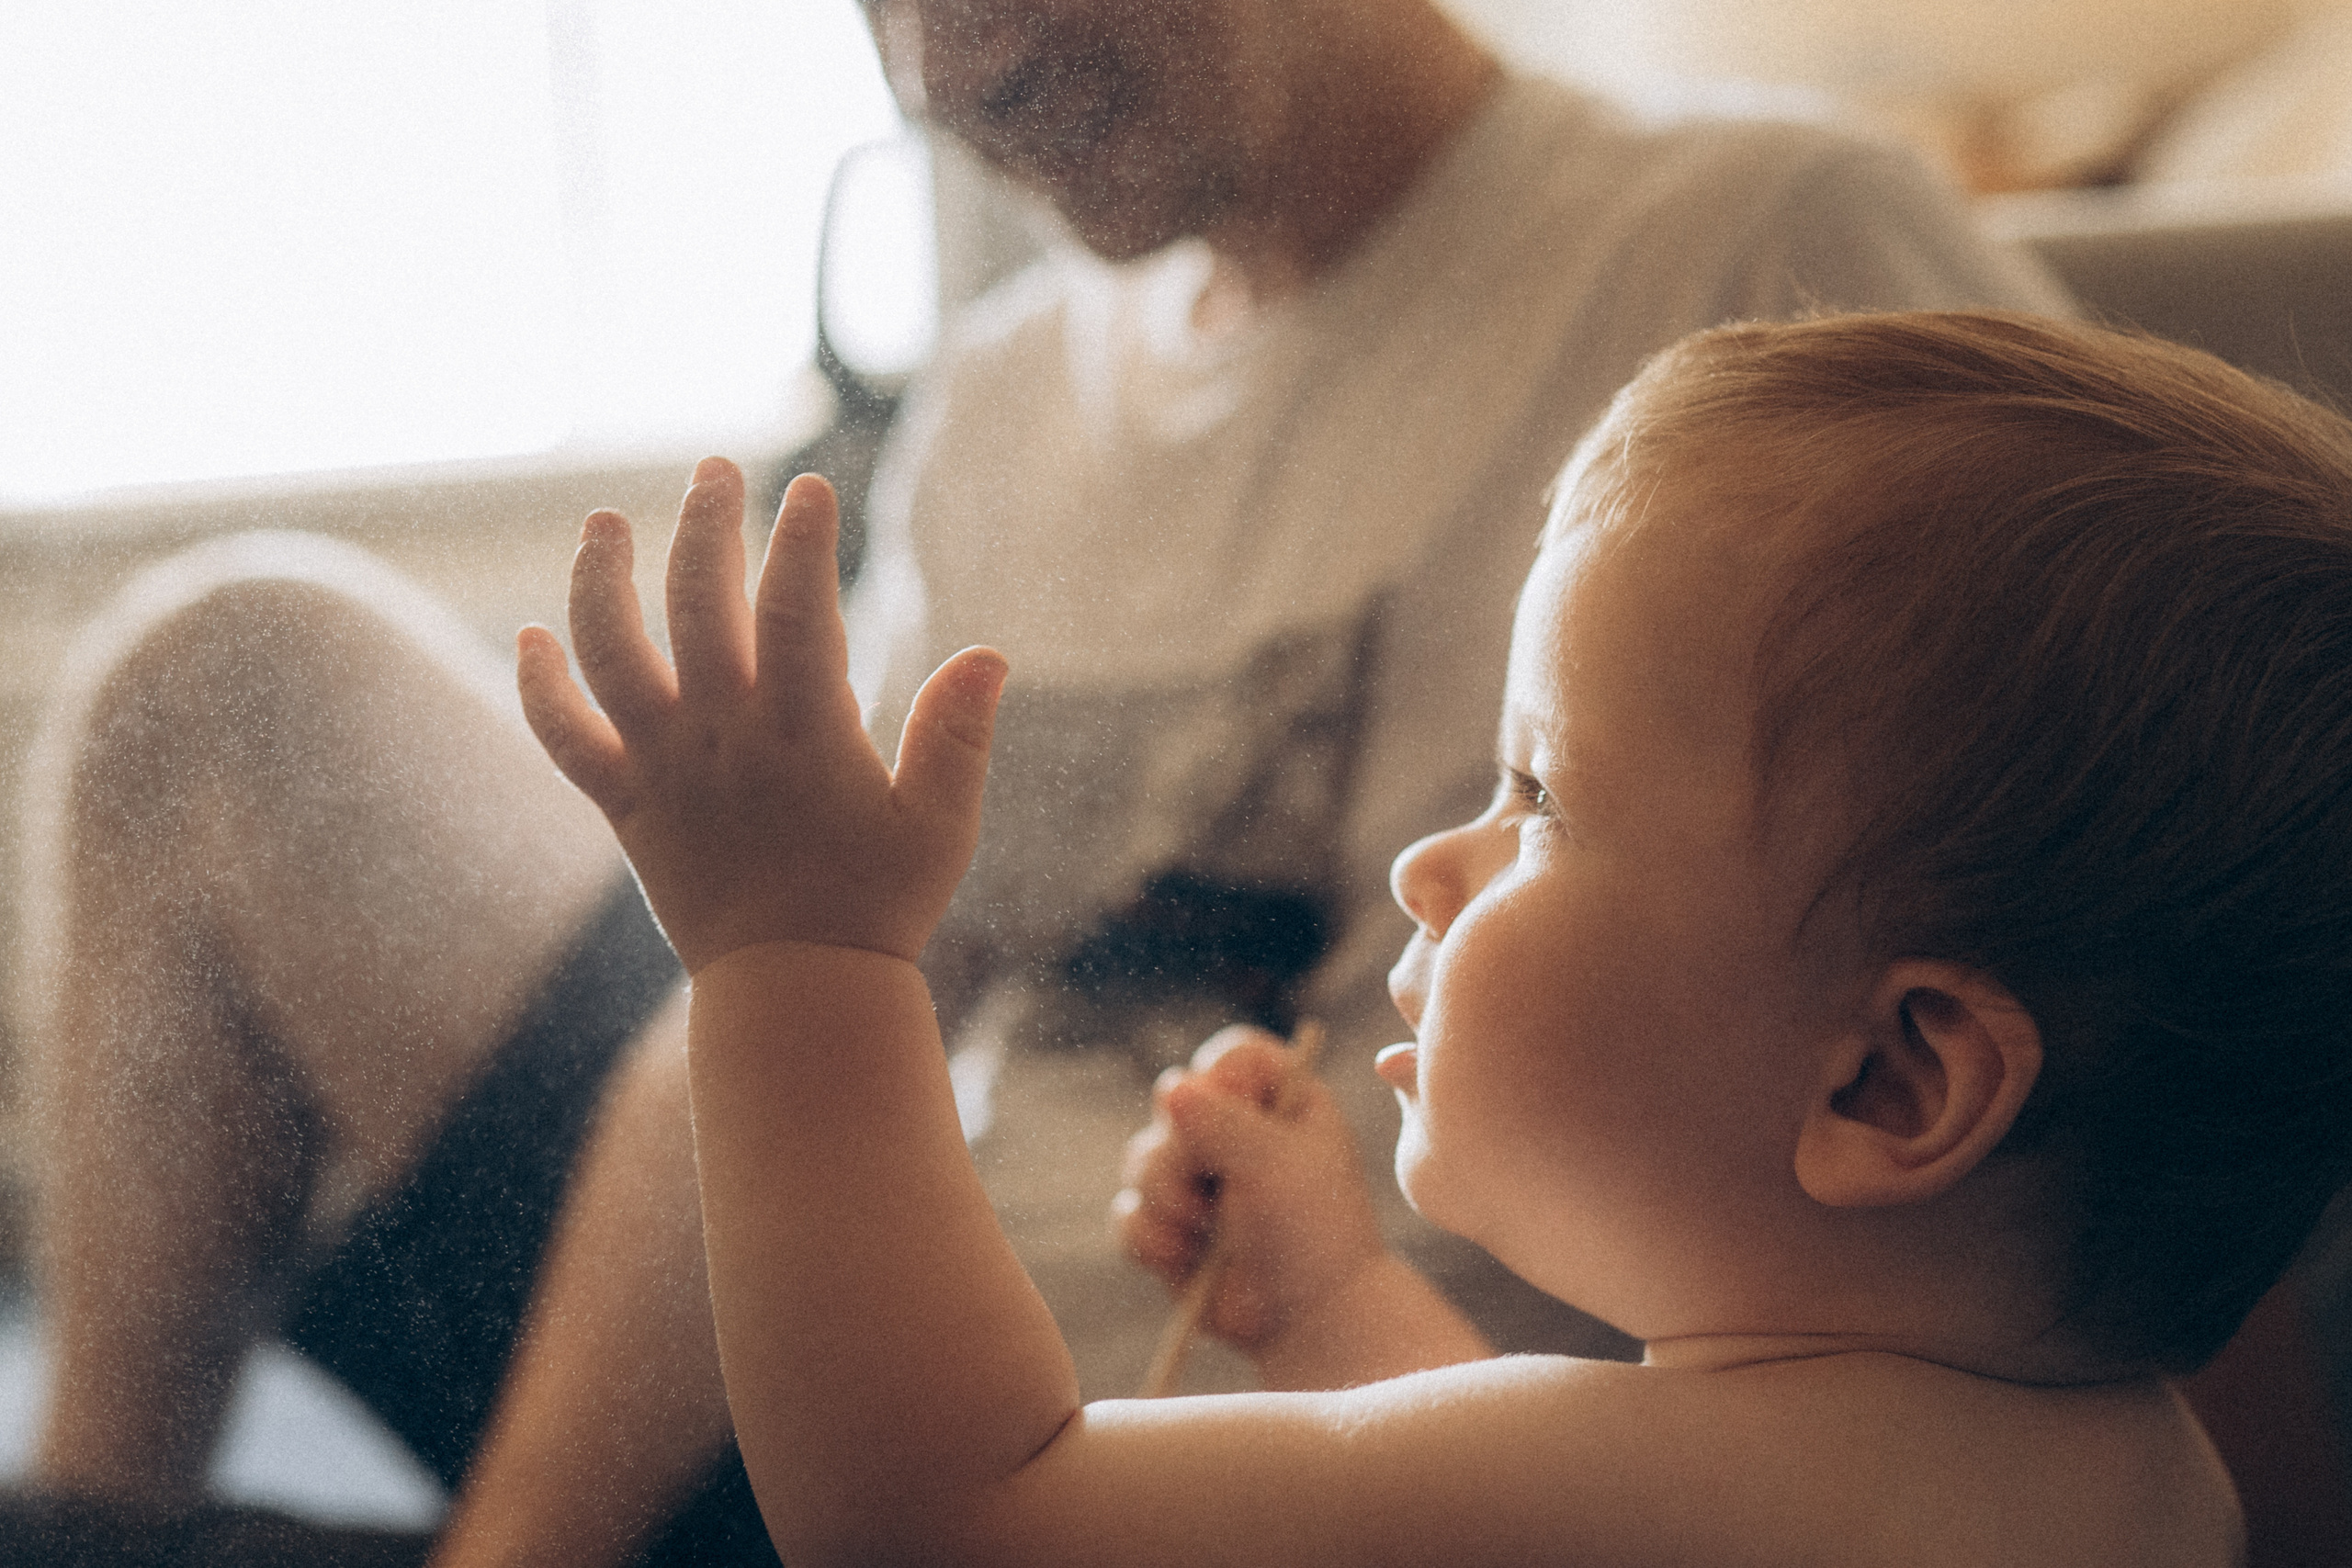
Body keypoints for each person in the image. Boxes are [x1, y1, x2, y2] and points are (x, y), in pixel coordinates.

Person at [13, 2, 2071, 1565]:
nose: (936, 61)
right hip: (856, 1334)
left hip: (1192, 1464)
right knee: (224, 679)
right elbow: (817, 1003)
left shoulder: (1760, 246)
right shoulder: (1006, 390)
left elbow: (2143, 957)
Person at [523, 310, 2352, 1567]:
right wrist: (1324, 1304)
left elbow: (953, 1511)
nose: (1431, 866)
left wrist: (796, 955)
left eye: (1538, 794)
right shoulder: (2122, 1473)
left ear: (1890, 1077)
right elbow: (1497, 1518)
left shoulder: (1729, 1493)